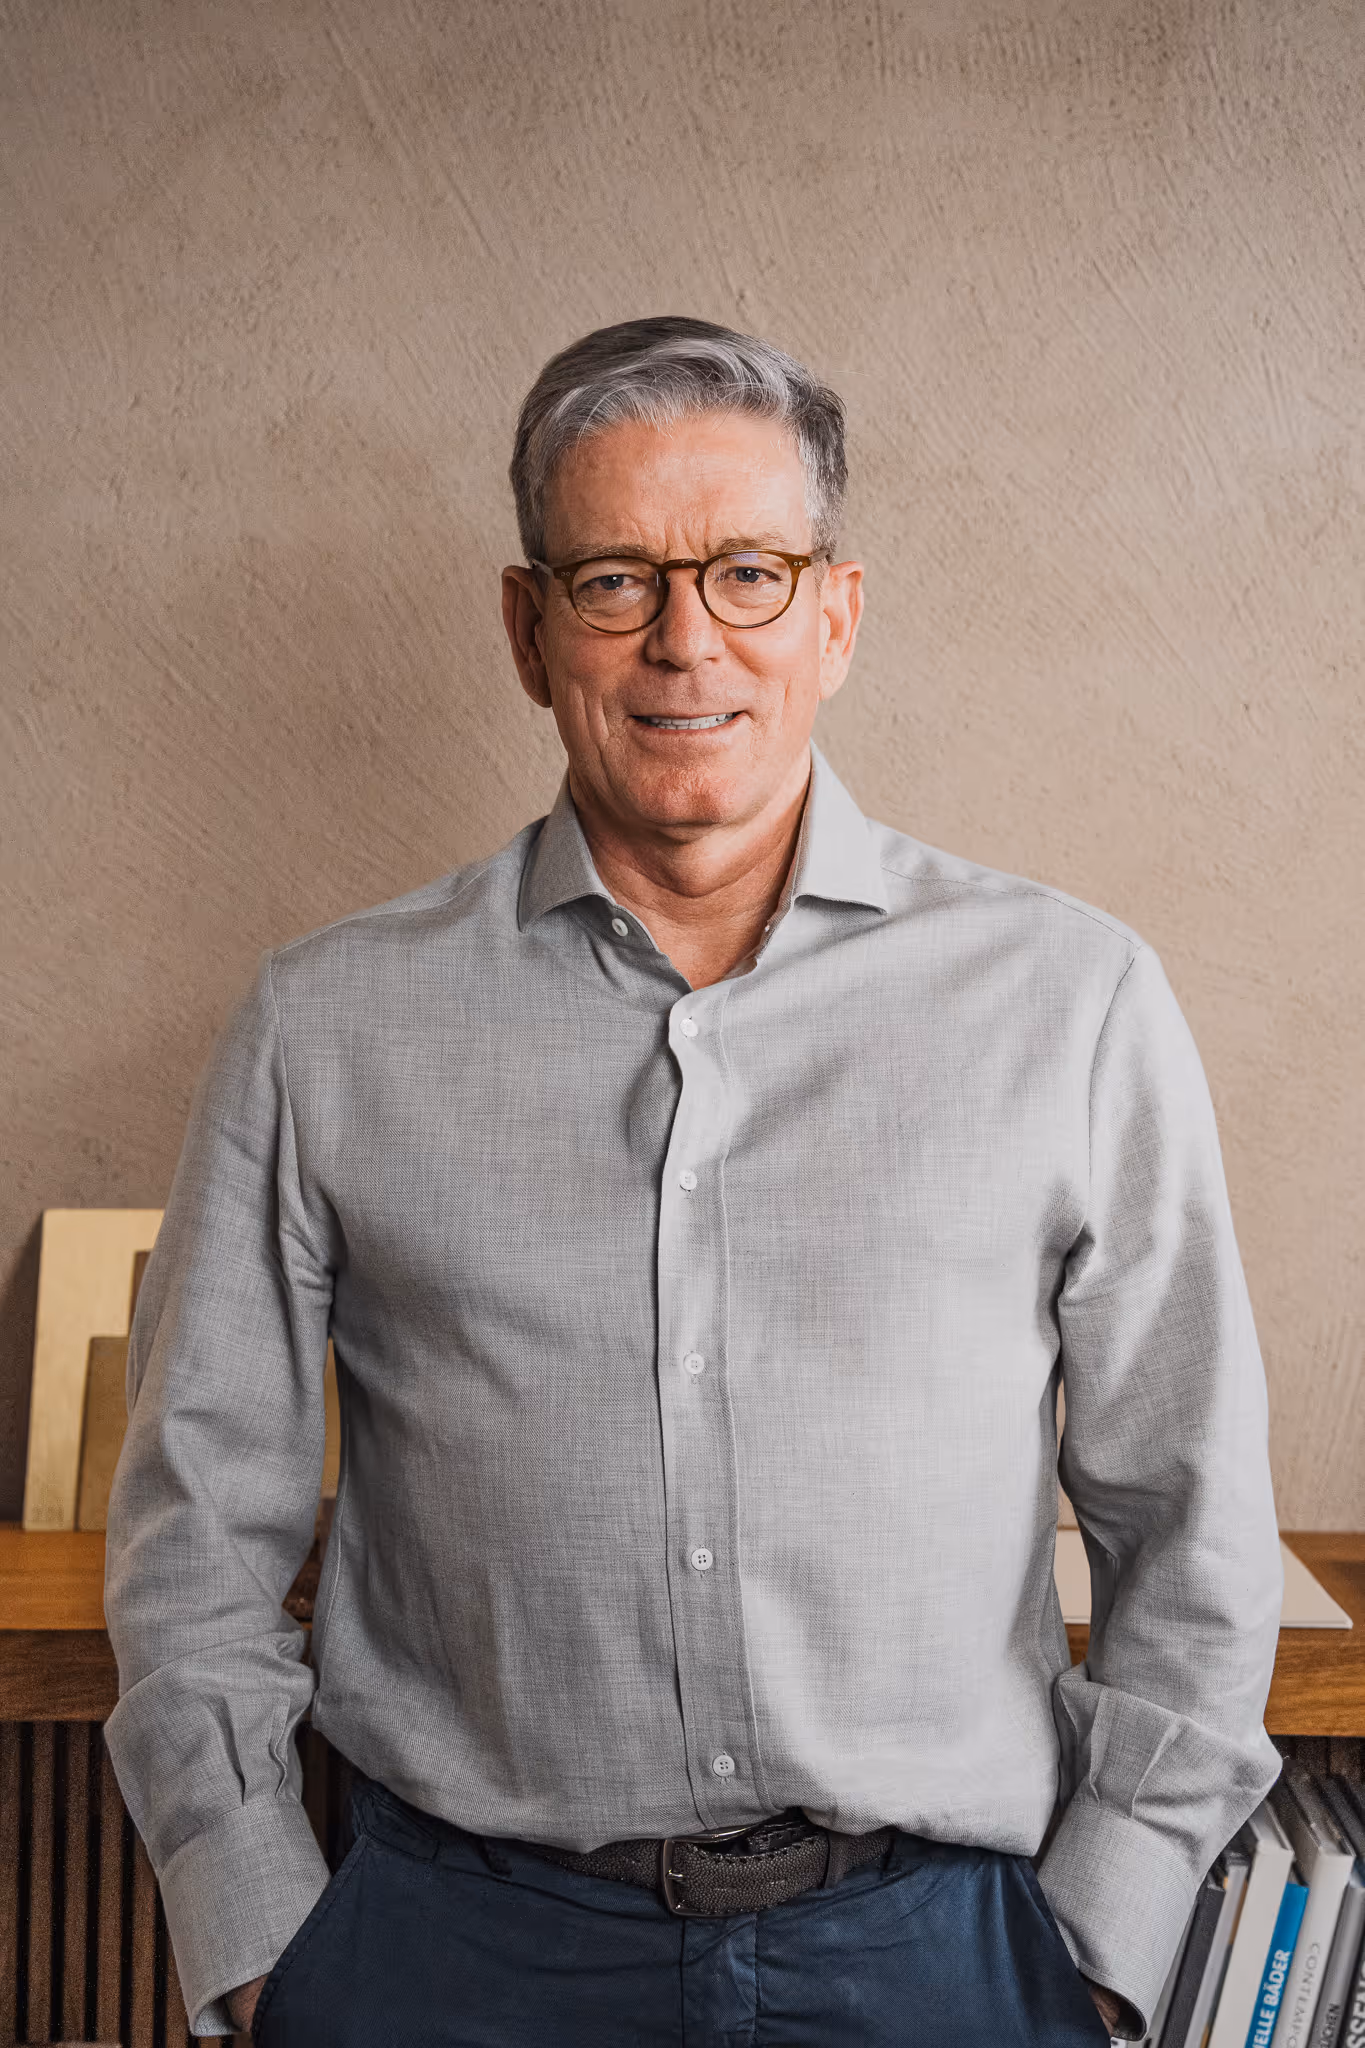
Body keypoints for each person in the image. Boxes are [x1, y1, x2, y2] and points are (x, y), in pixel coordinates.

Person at [104, 316, 1283, 2044]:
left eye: (746, 572)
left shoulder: (1074, 1002)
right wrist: (264, 1941)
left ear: (836, 614)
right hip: (451, 1955)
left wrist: (1097, 1954)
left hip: (943, 1957)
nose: (684, 643)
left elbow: (1188, 1515)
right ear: (526, 630)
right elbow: (198, 1528)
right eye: (612, 581)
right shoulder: (324, 1025)